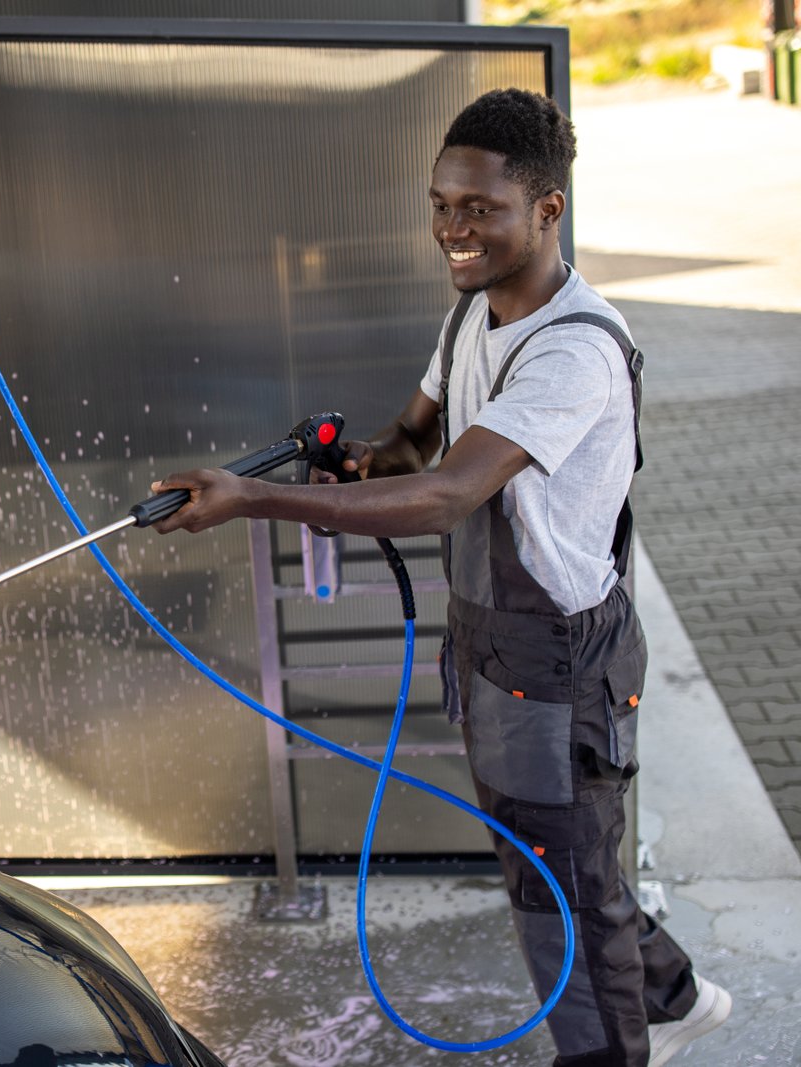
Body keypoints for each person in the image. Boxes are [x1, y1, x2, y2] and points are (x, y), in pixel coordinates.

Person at [150, 88, 730, 1067]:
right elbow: (413, 444)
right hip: (491, 646)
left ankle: (619, 1045)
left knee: (560, 896)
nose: (452, 229)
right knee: (557, 863)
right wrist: (362, 460)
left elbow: (445, 493)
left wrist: (251, 500)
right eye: (441, 205)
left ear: (547, 209)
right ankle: (672, 998)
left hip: (558, 662)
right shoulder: (472, 313)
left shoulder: (573, 350)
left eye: (479, 209)